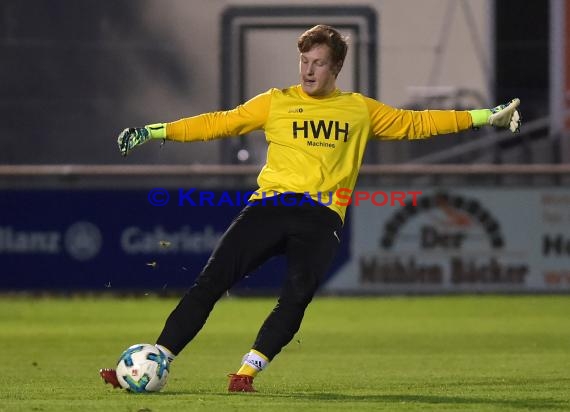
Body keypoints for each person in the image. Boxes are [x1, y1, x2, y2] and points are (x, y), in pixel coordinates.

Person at [100, 24, 521, 392]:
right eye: (304, 60)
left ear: (335, 68)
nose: (308, 70)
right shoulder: (276, 101)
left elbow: (420, 122)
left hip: (322, 218)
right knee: (210, 283)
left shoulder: (359, 109)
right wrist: (155, 131)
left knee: (296, 296)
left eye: (318, 62)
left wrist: (486, 116)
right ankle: (154, 361)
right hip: (269, 206)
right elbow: (218, 122)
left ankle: (245, 373)